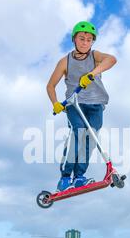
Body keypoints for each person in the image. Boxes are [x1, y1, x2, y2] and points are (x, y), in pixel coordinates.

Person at [46, 21, 117, 191]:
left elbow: (112, 59)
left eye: (89, 39)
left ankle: (79, 177)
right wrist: (55, 103)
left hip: (96, 104)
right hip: (75, 104)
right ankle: (65, 177)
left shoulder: (95, 56)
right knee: (78, 135)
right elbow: (50, 86)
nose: (85, 42)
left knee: (90, 141)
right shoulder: (65, 62)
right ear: (74, 40)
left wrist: (92, 74)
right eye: (81, 38)